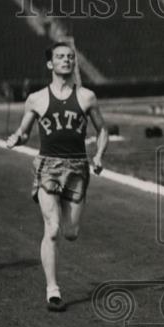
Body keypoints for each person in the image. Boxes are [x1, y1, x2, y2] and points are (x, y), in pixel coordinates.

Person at [6, 41, 108, 311]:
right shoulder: (36, 99)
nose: (66, 60)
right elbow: (25, 131)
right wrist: (17, 137)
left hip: (77, 167)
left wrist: (98, 156)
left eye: (70, 57)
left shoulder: (87, 97)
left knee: (70, 232)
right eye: (60, 57)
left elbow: (103, 130)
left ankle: (64, 230)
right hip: (47, 166)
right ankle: (53, 289)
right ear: (50, 64)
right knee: (51, 229)